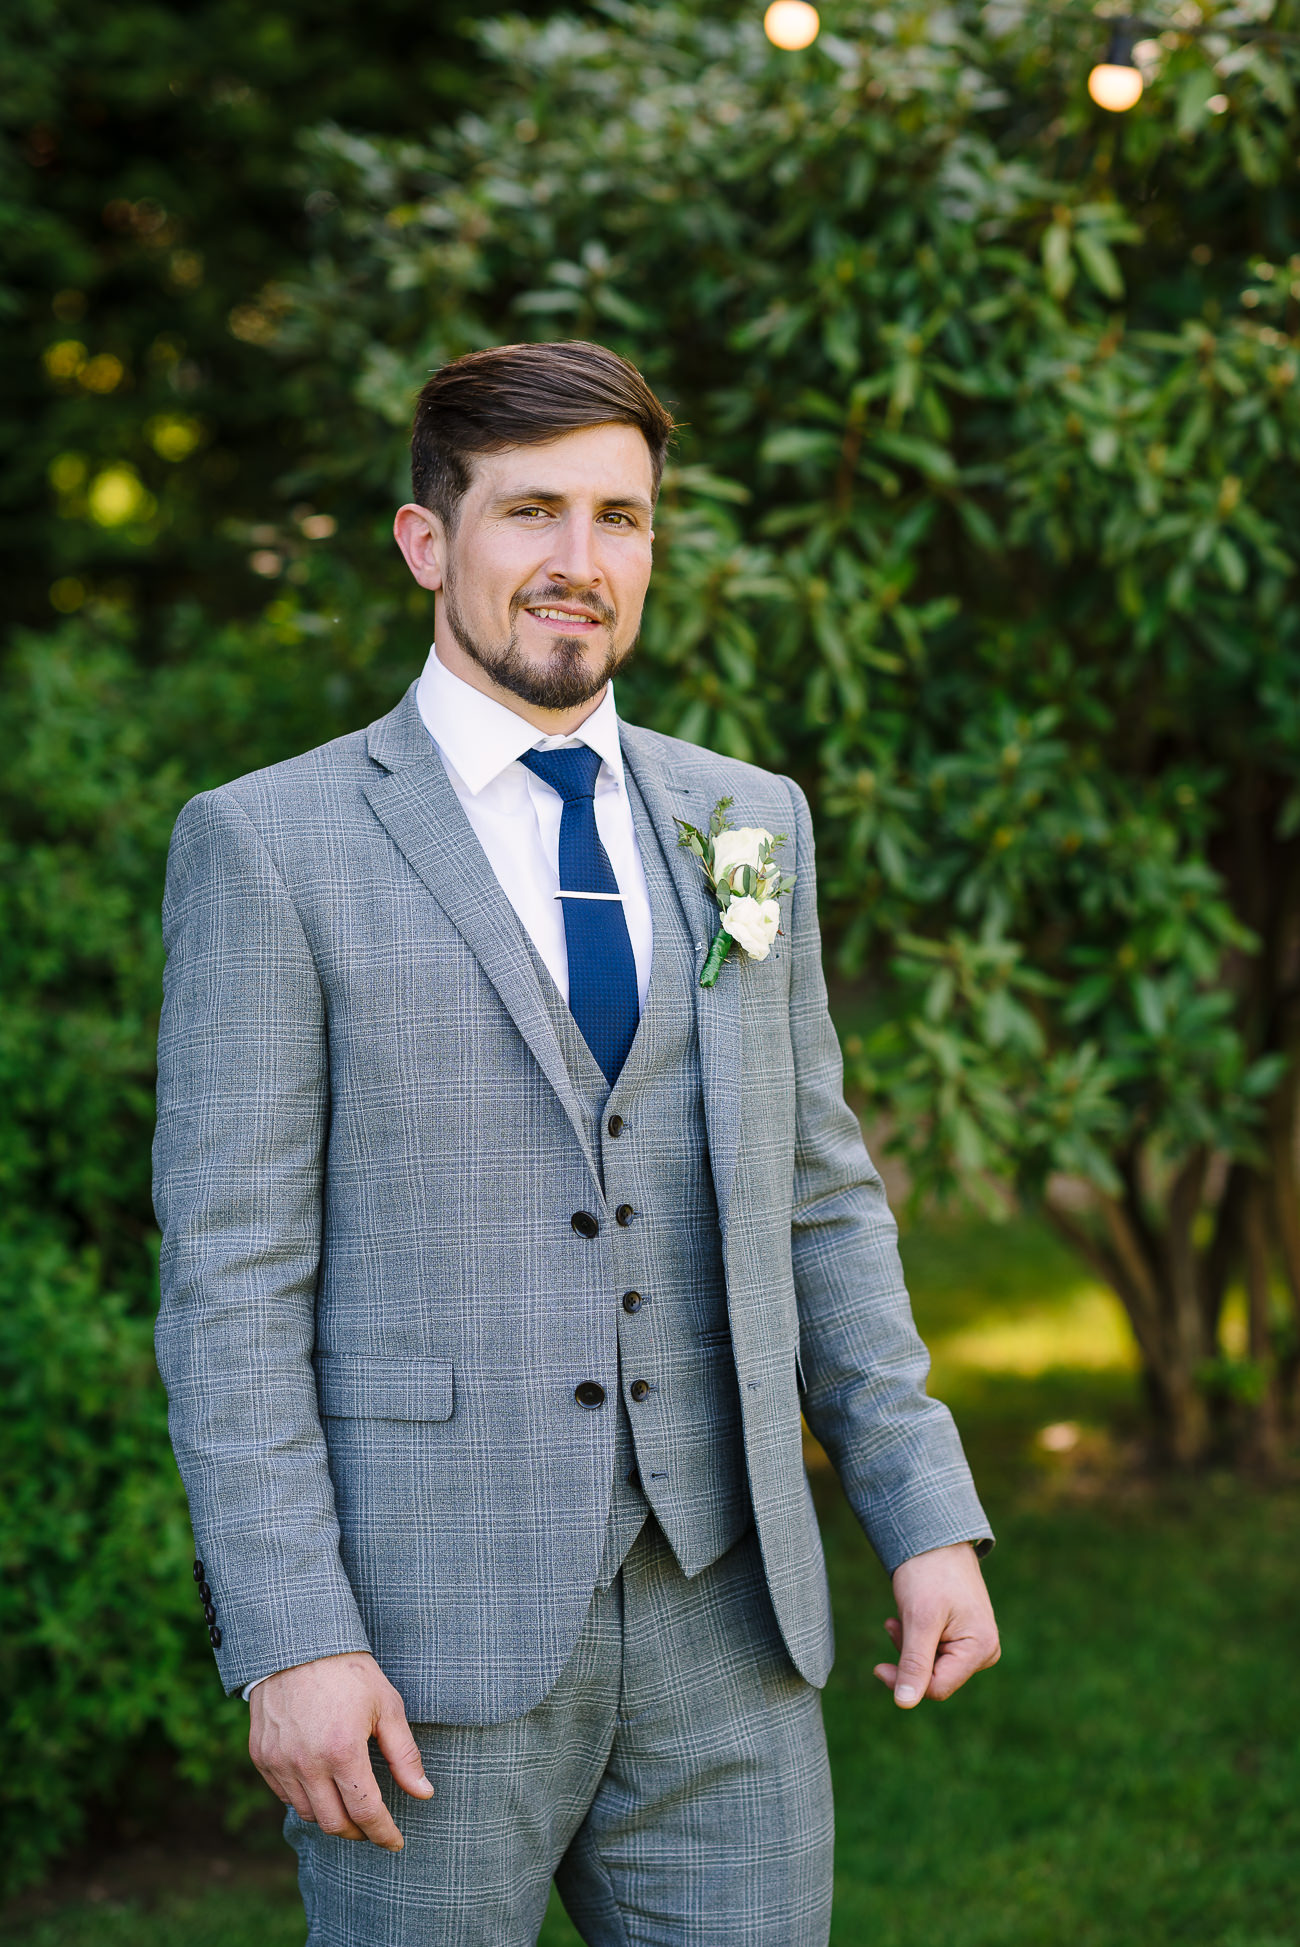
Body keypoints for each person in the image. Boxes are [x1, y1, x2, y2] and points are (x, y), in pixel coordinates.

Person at [153, 339, 998, 1947]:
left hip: (731, 1629)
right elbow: (232, 1282)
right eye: (530, 512)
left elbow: (820, 1196)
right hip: (418, 1639)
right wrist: (288, 1639)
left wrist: (925, 1512)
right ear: (427, 542)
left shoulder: (745, 821)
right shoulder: (270, 843)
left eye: (620, 519)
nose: (578, 564)